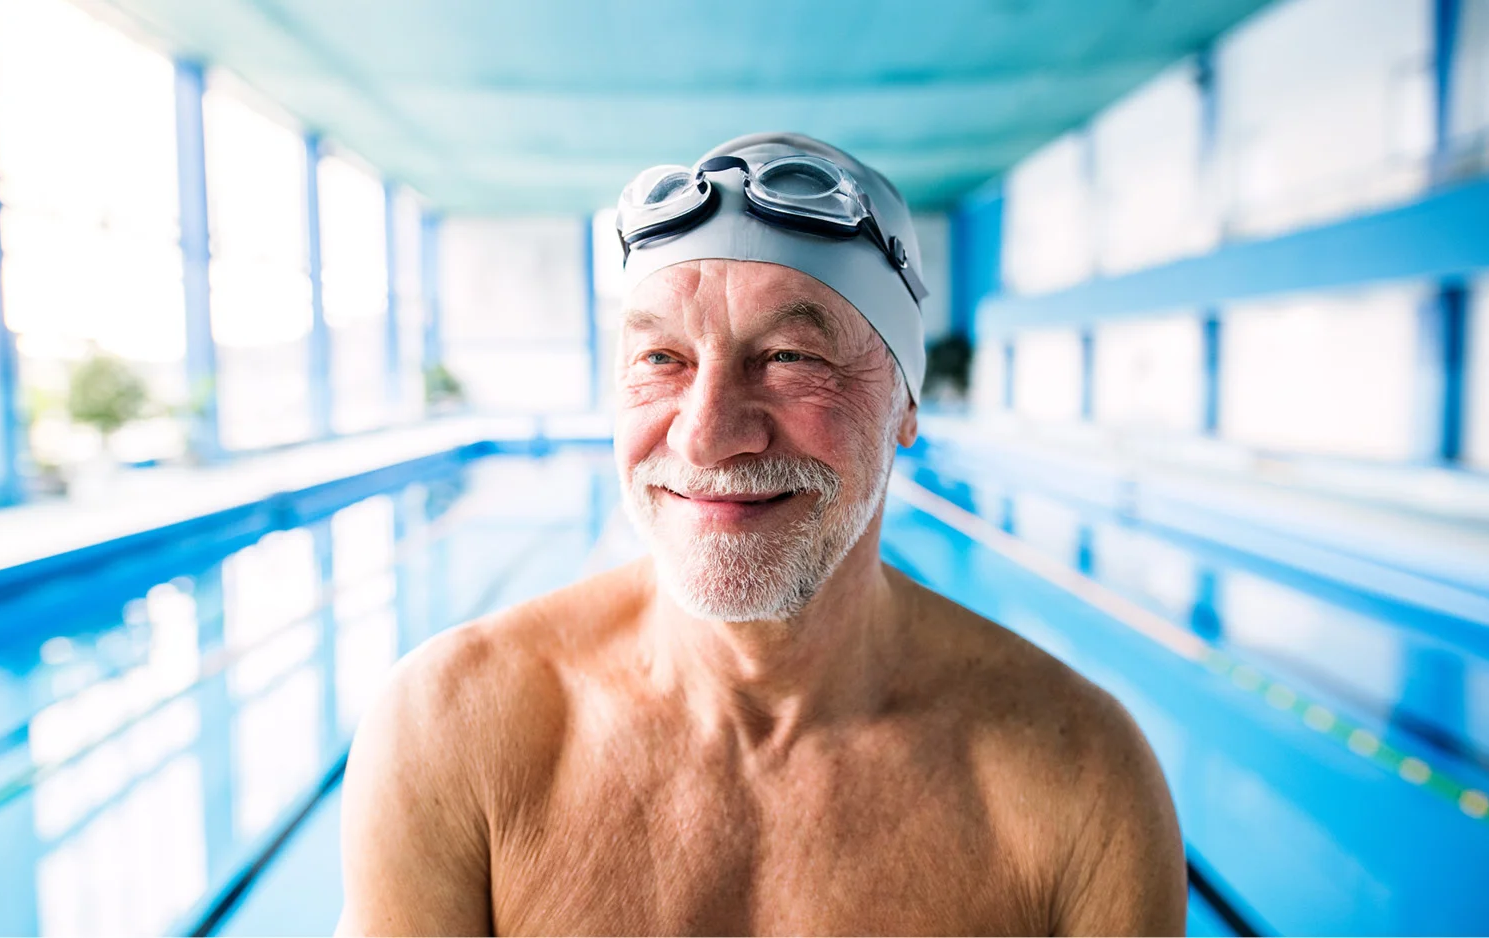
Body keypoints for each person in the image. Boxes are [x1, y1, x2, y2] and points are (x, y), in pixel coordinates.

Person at [335, 133, 1186, 936]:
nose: (704, 435)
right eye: (661, 360)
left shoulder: (1079, 779)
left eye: (789, 357)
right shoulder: (453, 728)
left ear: (906, 405)